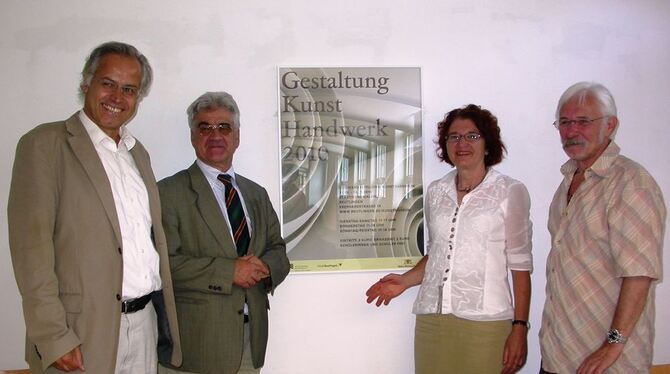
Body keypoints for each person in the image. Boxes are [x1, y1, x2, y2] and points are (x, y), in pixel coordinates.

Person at [8, 41, 182, 373]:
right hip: (82, 333)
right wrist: (54, 336)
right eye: (108, 84)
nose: (117, 97)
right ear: (86, 83)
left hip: (144, 324)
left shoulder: (137, 154)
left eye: (129, 89)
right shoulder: (46, 145)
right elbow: (31, 254)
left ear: (138, 98)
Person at [366, 104, 533, 374]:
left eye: (472, 136)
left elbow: (521, 265)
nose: (462, 143)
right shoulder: (436, 191)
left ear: (488, 144)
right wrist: (405, 281)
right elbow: (438, 253)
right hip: (433, 320)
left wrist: (519, 327)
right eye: (454, 137)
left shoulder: (509, 191)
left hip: (486, 324)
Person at [158, 91, 290, 374]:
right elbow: (163, 264)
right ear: (193, 136)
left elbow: (278, 249)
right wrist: (228, 272)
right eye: (204, 127)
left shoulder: (256, 193)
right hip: (196, 346)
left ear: (237, 136)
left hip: (249, 340)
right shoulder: (168, 193)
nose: (214, 135)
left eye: (224, 127)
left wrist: (265, 267)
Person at [539, 82, 666, 374]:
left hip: (608, 363)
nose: (571, 131)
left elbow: (639, 274)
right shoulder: (568, 181)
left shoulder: (631, 183)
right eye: (565, 122)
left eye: (583, 121)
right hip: (560, 355)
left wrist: (613, 344)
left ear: (610, 125)